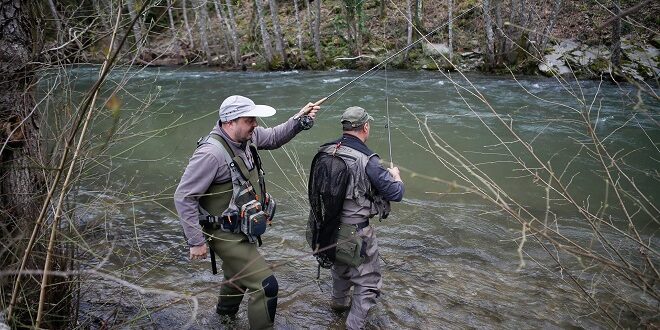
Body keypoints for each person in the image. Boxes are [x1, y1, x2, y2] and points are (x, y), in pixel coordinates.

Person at [174, 95, 319, 329]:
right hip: (222, 233)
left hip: (239, 227)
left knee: (237, 276)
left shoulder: (248, 137)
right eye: (249, 119)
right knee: (266, 286)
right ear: (230, 122)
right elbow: (184, 197)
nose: (255, 124)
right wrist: (195, 241)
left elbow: (274, 137)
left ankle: (223, 320)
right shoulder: (210, 154)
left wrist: (298, 121)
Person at [314, 106, 404, 329]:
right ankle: (352, 326)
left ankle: (336, 310)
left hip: (328, 228)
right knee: (367, 285)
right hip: (357, 233)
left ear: (344, 127)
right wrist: (396, 177)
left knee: (340, 272)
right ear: (365, 127)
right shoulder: (368, 160)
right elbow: (396, 193)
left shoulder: (325, 151)